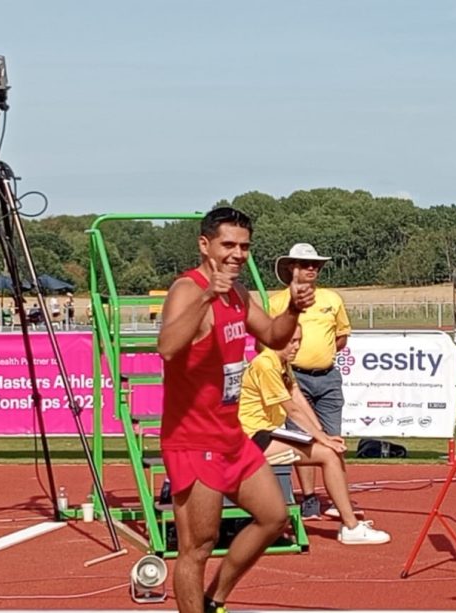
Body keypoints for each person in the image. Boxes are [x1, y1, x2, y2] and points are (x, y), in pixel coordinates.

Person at [157, 207, 314, 613]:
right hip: (193, 441)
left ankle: (216, 598)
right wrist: (207, 294)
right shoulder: (187, 290)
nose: (237, 253)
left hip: (230, 436)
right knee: (198, 546)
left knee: (274, 517)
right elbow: (168, 347)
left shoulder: (239, 294)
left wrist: (294, 308)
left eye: (244, 246)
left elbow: (275, 336)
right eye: (228, 244)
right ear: (204, 244)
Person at [237, 325, 390, 545]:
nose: (297, 347)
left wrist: (322, 433)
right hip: (252, 438)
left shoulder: (281, 363)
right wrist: (321, 437)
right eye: (292, 341)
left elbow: (297, 395)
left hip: (267, 433)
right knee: (328, 455)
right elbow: (292, 409)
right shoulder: (266, 364)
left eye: (299, 341)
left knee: (330, 451)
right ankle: (351, 527)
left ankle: (347, 520)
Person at [269, 243, 352, 520]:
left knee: (334, 438)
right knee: (302, 439)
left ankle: (341, 502)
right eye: (306, 264)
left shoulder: (332, 298)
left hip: (327, 376)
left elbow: (342, 336)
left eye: (316, 265)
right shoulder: (278, 301)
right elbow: (270, 340)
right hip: (294, 377)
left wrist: (322, 354)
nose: (312, 269)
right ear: (292, 267)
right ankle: (309, 499)